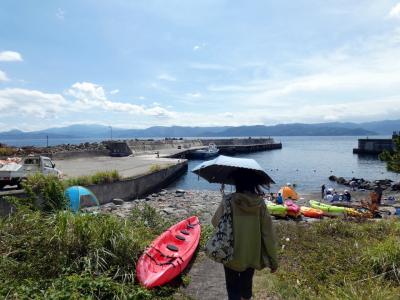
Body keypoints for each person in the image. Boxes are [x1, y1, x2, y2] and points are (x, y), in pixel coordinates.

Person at [212, 170, 278, 300]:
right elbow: (268, 234)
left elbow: (215, 222)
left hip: (230, 253)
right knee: (246, 285)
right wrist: (273, 261)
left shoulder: (228, 201)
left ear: (237, 183)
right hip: (251, 255)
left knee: (232, 286)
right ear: (254, 184)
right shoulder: (260, 205)